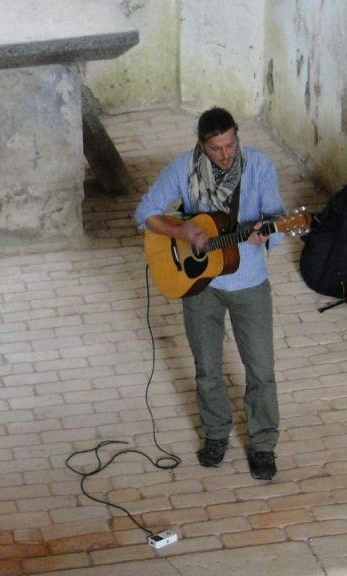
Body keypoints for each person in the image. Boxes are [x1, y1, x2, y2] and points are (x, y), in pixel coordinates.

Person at [134, 107, 284, 480]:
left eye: (230, 144)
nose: (226, 154)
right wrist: (181, 232)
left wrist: (267, 231)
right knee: (206, 367)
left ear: (237, 136)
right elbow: (145, 213)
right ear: (202, 145)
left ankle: (263, 444)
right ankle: (216, 434)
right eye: (216, 148)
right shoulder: (183, 169)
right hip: (201, 285)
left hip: (248, 282)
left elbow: (277, 217)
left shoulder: (259, 166)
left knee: (261, 368)